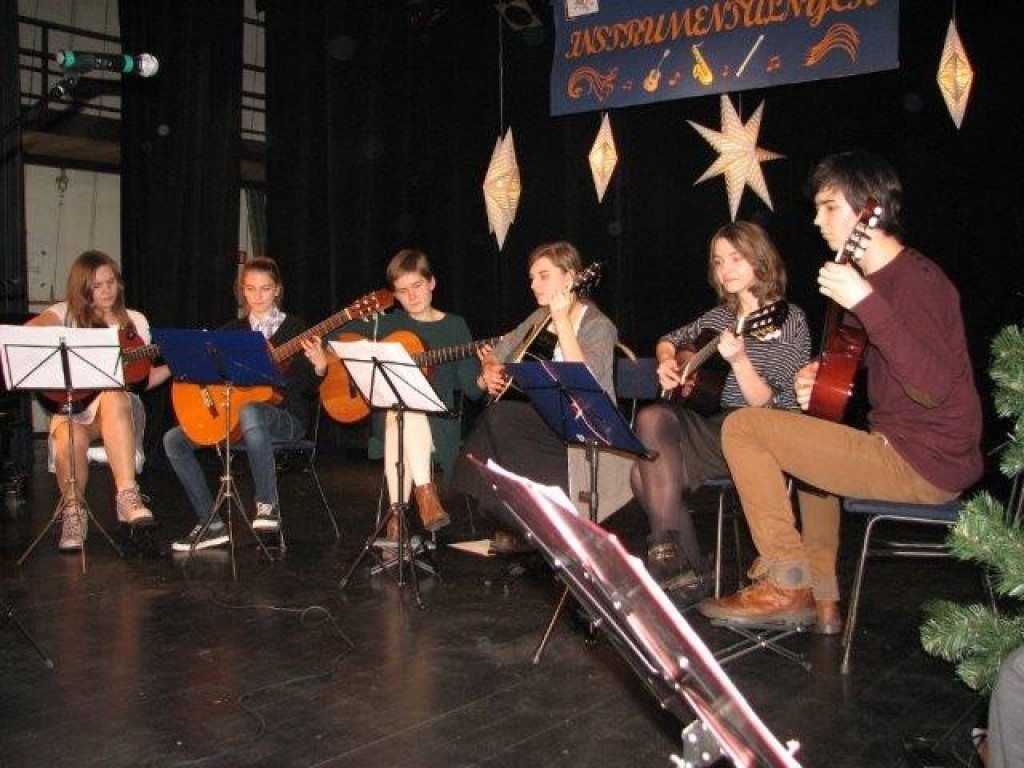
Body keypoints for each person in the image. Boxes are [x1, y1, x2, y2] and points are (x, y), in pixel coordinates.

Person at [698, 150, 984, 634]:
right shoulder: (871, 284)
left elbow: (932, 388)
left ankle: (786, 580)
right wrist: (820, 372)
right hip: (900, 447)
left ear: (870, 210)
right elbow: (871, 357)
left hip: (926, 461)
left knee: (744, 428)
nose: (817, 220)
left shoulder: (918, 281)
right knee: (815, 442)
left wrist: (866, 302)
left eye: (829, 207)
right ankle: (824, 603)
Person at [631, 222, 810, 604]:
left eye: (735, 258)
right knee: (650, 419)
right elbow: (669, 339)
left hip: (762, 432)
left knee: (641, 474)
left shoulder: (789, 319)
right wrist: (668, 361)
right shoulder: (719, 317)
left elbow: (765, 404)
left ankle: (682, 565)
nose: (725, 269)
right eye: (718, 261)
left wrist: (741, 361)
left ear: (760, 260)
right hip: (718, 425)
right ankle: (685, 566)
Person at [450, 240, 618, 547]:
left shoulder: (598, 325)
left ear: (569, 278)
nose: (533, 285)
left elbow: (584, 381)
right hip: (543, 423)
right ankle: (520, 514)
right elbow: (497, 351)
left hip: (584, 427)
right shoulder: (539, 317)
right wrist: (489, 369)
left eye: (543, 276)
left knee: (501, 418)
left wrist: (562, 320)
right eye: (531, 278)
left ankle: (527, 513)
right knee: (498, 416)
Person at [165, 256, 326, 551]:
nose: (258, 296)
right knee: (173, 440)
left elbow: (307, 389)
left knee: (251, 410)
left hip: (285, 418)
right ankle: (211, 524)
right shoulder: (230, 332)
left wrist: (319, 366)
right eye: (251, 289)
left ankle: (267, 506)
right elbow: (205, 375)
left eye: (265, 289)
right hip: (235, 420)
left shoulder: (296, 329)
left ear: (277, 290)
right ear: (242, 291)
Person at [26, 250, 170, 551]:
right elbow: (29, 335)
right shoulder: (65, 313)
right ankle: (73, 512)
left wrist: (175, 364)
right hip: (76, 406)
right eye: (97, 285)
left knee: (113, 393)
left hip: (121, 410)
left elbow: (142, 379)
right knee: (69, 434)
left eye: (111, 282)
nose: (107, 290)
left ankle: (127, 495)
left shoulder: (134, 321)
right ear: (82, 289)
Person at [333, 248, 483, 537]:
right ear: (395, 295)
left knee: (405, 413)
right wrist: (320, 360)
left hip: (439, 420)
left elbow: (472, 391)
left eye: (417, 285)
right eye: (402, 291)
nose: (412, 296)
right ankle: (426, 496)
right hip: (390, 417)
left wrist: (485, 378)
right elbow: (336, 337)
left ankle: (397, 517)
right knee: (401, 410)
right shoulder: (387, 323)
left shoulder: (455, 325)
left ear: (432, 282)